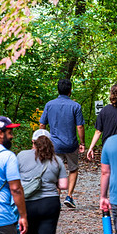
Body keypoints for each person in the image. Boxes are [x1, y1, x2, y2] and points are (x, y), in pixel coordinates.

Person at [18, 129, 68, 234]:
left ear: (33, 142)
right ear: (49, 142)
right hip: (50, 203)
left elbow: (14, 180)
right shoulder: (56, 160)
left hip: (28, 204)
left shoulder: (21, 156)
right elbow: (64, 185)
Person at [39, 78, 85, 208]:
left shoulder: (49, 105)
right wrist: (82, 143)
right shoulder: (75, 106)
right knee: (73, 169)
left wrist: (42, 140)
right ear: (70, 91)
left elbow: (42, 124)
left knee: (55, 170)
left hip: (54, 145)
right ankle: (69, 196)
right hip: (71, 144)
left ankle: (56, 198)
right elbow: (80, 126)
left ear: (58, 90)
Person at [87, 83, 117, 161]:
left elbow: (98, 132)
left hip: (108, 146)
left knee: (109, 171)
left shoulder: (104, 110)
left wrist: (90, 148)